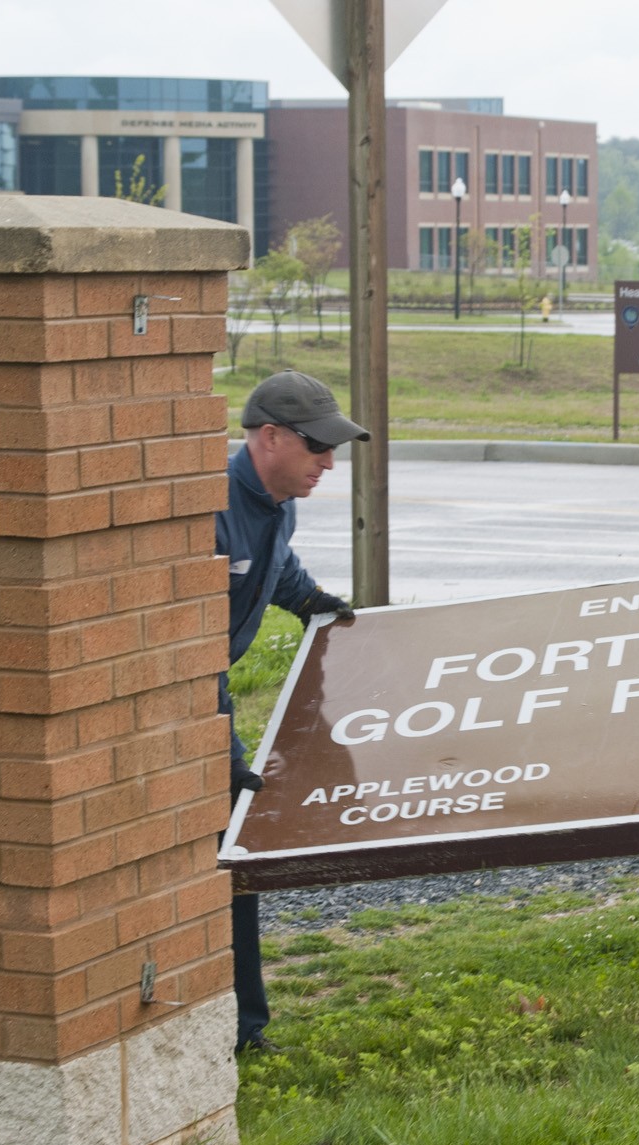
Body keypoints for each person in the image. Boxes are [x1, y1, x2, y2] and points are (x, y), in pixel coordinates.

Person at [218, 370, 369, 1051]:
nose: (329, 464)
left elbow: (278, 571)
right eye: (318, 448)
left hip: (207, 692)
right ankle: (233, 1025)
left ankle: (245, 1029)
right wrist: (218, 748)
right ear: (271, 438)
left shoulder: (279, 502)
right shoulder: (213, 507)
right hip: (183, 696)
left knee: (234, 862)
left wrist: (316, 603)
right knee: (225, 856)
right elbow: (173, 641)